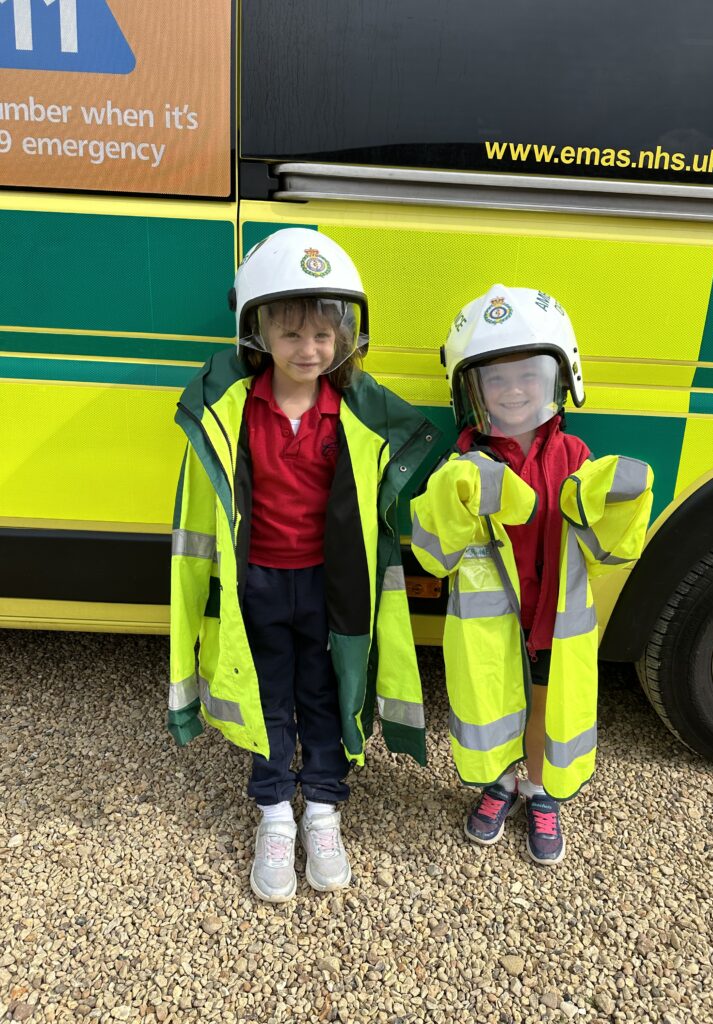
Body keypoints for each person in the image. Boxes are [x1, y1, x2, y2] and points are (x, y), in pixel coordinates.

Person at [168, 228, 440, 901]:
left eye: (323, 334)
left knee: (322, 695)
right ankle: (273, 815)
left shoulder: (353, 414)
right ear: (257, 332)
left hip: (327, 589)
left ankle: (322, 808)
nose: (308, 349)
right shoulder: (231, 411)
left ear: (345, 337)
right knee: (266, 698)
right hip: (255, 585)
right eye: (289, 334)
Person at [411, 286, 653, 865]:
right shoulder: (462, 465)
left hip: (552, 621)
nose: (513, 390)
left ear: (560, 379)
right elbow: (430, 553)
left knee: (544, 708)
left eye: (527, 375)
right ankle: (500, 783)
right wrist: (456, 493)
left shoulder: (574, 455)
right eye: (494, 379)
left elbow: (607, 551)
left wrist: (618, 501)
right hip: (491, 631)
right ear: (471, 392)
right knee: (494, 708)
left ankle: (539, 789)